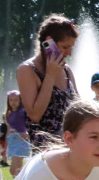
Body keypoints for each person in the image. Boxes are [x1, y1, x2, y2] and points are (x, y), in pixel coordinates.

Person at [17, 14, 80, 151]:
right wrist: (50, 76)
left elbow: (80, 111)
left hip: (72, 151)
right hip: (46, 156)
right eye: (65, 47)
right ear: (49, 43)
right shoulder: (27, 70)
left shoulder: (67, 70)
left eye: (71, 47)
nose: (69, 53)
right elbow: (34, 115)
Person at [4, 91, 31, 177]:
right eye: (11, 100)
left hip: (20, 141)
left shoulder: (23, 112)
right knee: (17, 170)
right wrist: (5, 147)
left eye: (16, 100)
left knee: (14, 170)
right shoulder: (8, 114)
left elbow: (30, 123)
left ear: (20, 100)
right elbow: (8, 129)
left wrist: (28, 134)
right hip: (12, 141)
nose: (13, 102)